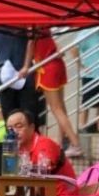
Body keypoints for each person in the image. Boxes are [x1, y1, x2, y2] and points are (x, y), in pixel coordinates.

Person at [6, 109, 76, 196]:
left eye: (19, 126)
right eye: (9, 129)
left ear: (32, 127)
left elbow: (42, 171)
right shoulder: (18, 148)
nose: (14, 132)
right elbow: (9, 173)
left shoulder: (44, 144)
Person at [32, 28, 82, 157]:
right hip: (58, 64)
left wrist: (27, 65)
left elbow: (29, 48)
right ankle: (60, 142)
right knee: (61, 107)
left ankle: (75, 144)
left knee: (56, 108)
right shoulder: (45, 28)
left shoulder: (32, 29)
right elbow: (59, 50)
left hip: (47, 68)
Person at [0, 27, 43, 125]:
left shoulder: (19, 18)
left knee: (28, 118)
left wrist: (26, 65)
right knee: (11, 119)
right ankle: (14, 138)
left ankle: (29, 138)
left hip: (24, 75)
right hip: (6, 77)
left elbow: (32, 40)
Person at [71, 27, 99, 133]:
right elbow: (73, 48)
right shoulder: (86, 32)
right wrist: (81, 66)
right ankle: (82, 127)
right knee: (86, 103)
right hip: (90, 75)